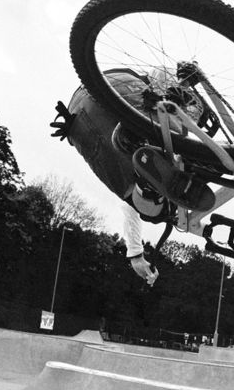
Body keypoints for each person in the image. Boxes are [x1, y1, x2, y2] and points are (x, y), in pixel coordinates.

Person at [50, 69, 234, 286]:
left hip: (89, 104)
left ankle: (153, 181)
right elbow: (159, 73)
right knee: (167, 164)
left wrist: (136, 253)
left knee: (156, 194)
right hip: (118, 83)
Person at [49, 70, 216, 286]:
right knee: (149, 198)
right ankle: (145, 175)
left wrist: (137, 253)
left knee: (155, 181)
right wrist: (135, 253)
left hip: (96, 96)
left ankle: (142, 167)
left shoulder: (162, 81)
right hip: (103, 97)